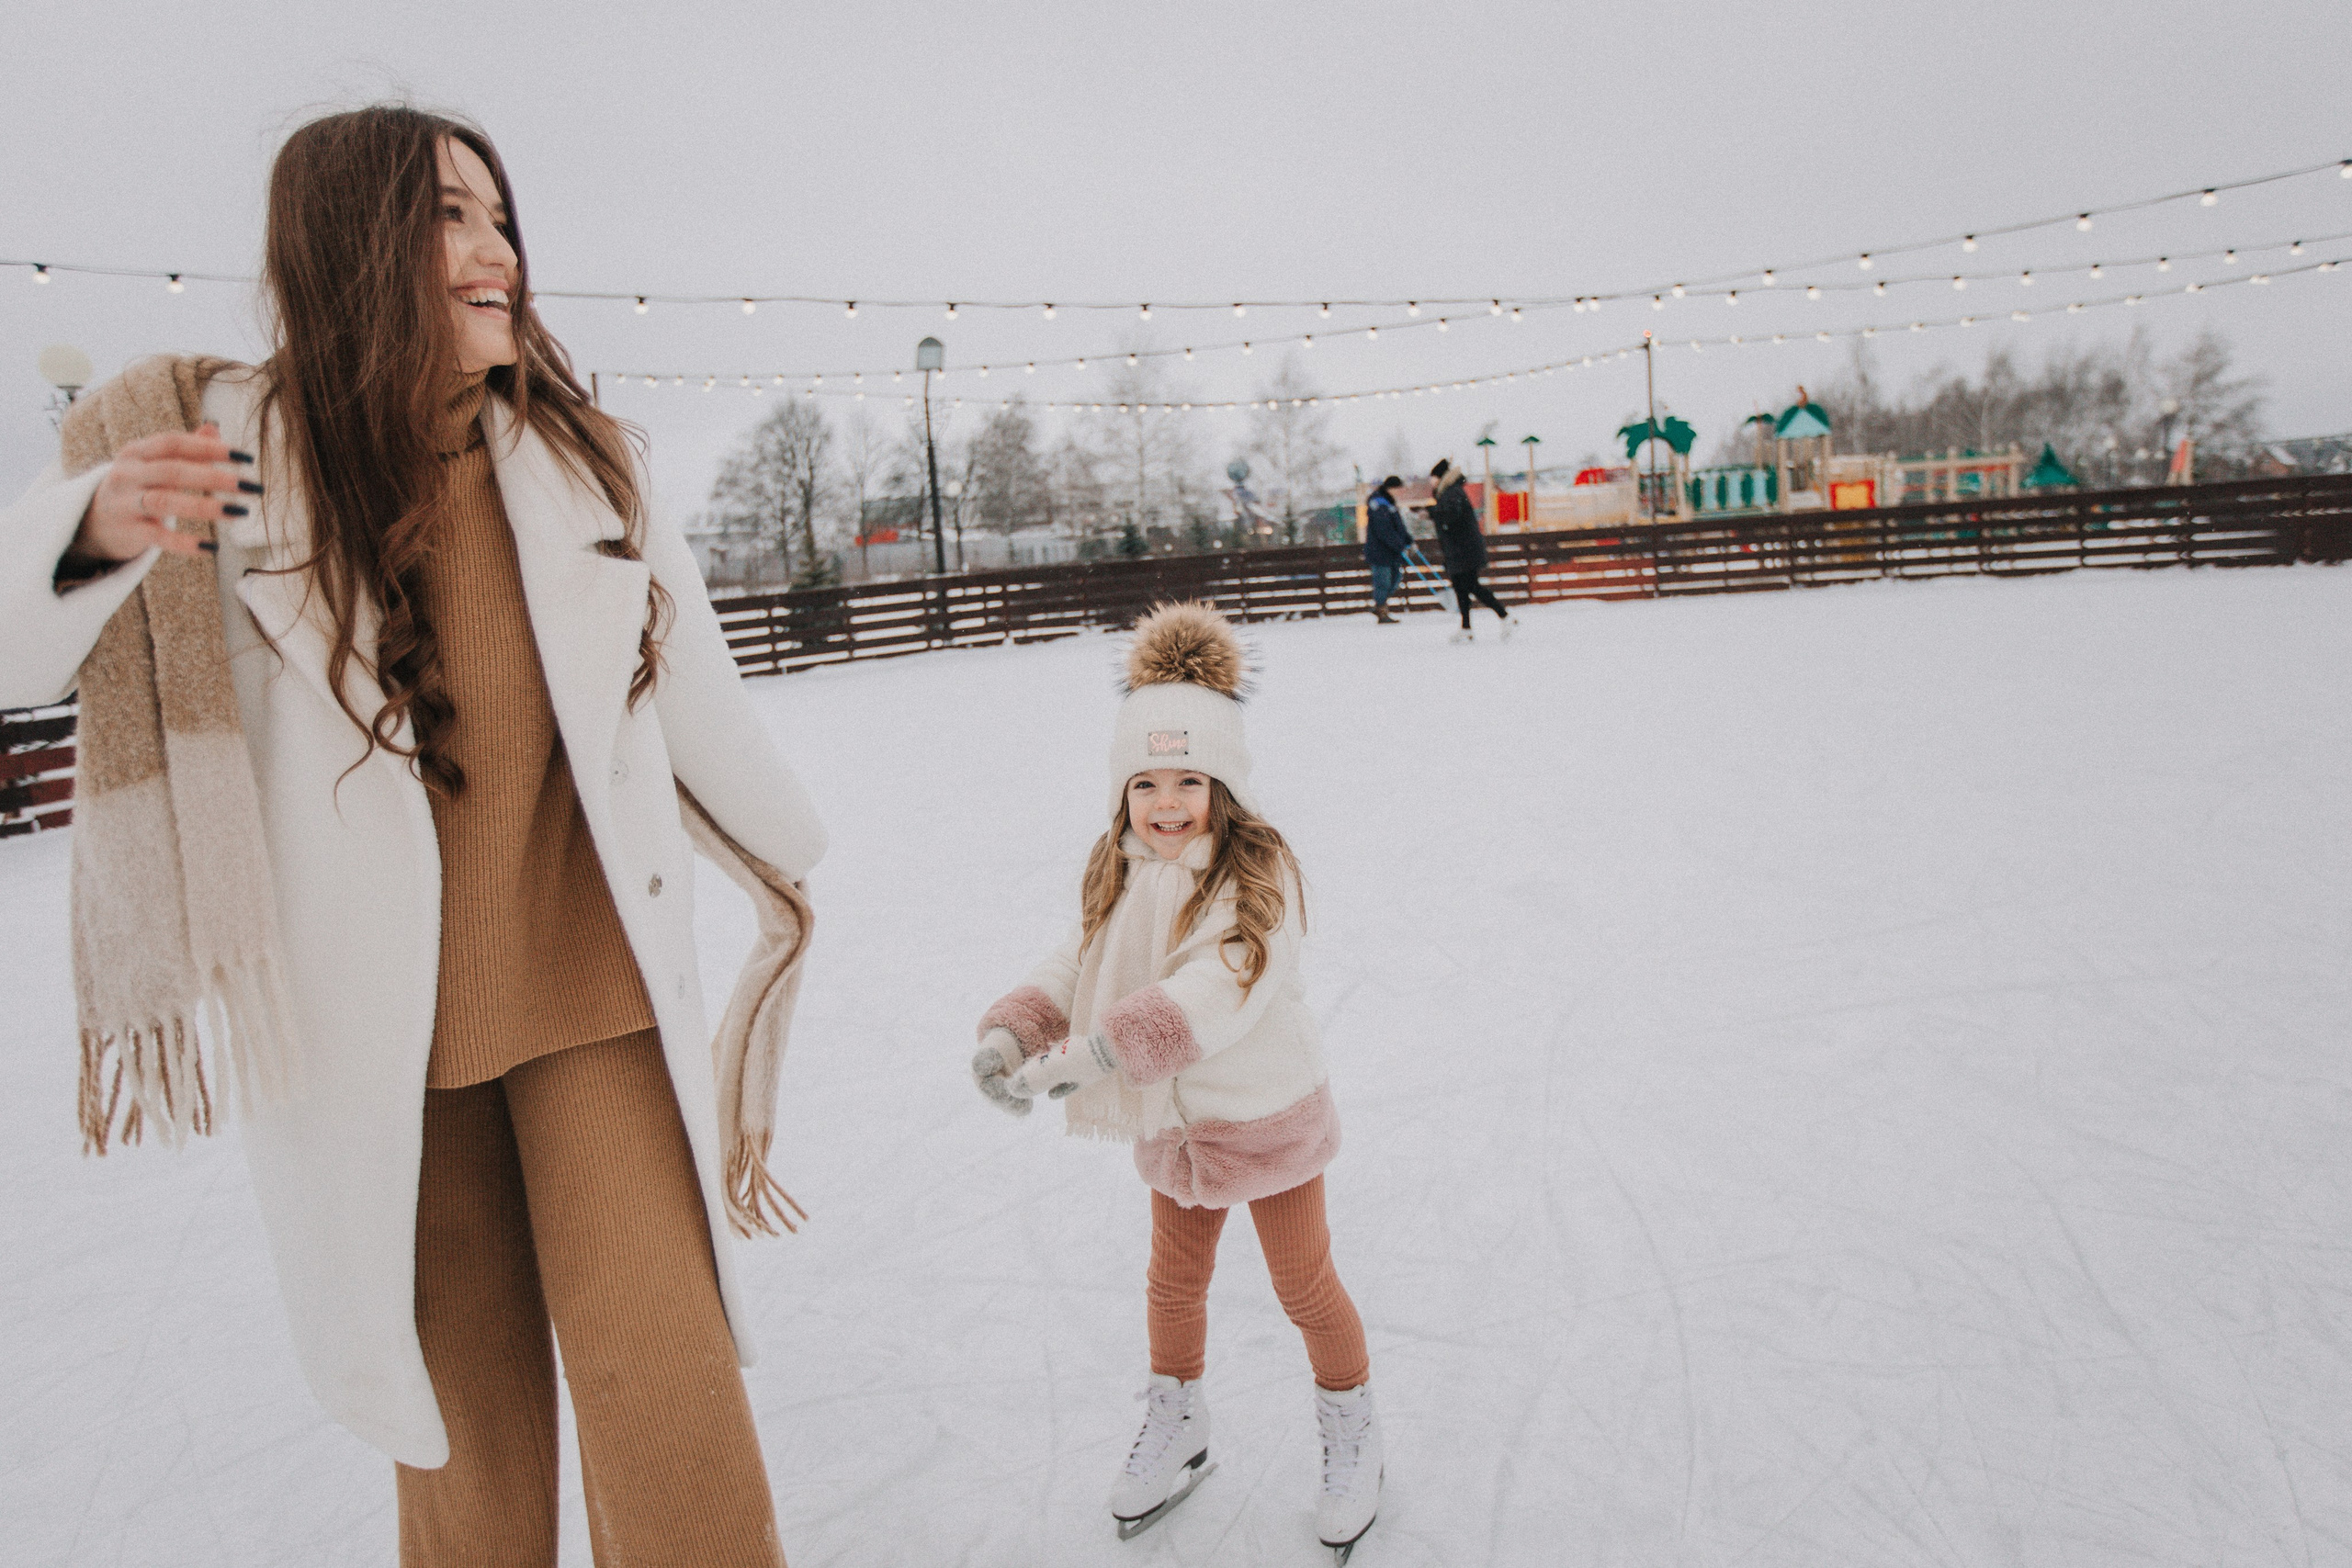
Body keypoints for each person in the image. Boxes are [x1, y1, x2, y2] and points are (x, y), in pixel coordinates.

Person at [0, 106, 823, 1567]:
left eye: (501, 217)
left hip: (592, 997)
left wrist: (790, 852)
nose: (496, 250)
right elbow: (15, 657)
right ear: (354, 243)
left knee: (670, 1393)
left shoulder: (585, 462)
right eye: (453, 216)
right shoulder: (227, 461)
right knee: (465, 1444)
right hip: (380, 1028)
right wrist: (95, 527)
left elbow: (692, 683)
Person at [968, 604, 1384, 1560]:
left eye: (1189, 780)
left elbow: (1218, 983)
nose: (1166, 802)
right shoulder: (1118, 870)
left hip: (1262, 1120)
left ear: (1223, 786)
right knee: (1171, 1284)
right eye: (1145, 782)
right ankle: (1180, 1419)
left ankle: (1351, 1431)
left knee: (1305, 1285)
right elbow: (1075, 959)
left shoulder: (1253, 876)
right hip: (1170, 1127)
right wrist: (1013, 1029)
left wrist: (1104, 1050)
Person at [1427, 457, 1518, 643]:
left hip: (1465, 549)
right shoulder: (1448, 492)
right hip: (1459, 549)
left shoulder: (1452, 493)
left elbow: (1450, 515)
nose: (1431, 481)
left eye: (1433, 477)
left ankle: (1504, 616)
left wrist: (1429, 513)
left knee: (1471, 586)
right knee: (1461, 588)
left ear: (1440, 477)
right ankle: (1467, 628)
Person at [1362, 475, 1412, 623]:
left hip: (1391, 551)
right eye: (1399, 489)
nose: (1400, 492)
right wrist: (1399, 544)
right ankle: (1381, 611)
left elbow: (1398, 526)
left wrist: (1407, 540)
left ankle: (1379, 605)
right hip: (1380, 551)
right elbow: (1384, 530)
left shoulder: (1389, 503)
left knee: (1395, 579)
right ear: (1391, 488)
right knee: (1383, 581)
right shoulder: (1379, 504)